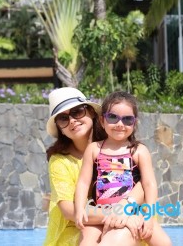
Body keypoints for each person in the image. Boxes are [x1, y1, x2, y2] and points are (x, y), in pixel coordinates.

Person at [44, 87, 149, 246]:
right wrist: (119, 214)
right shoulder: (59, 161)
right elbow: (69, 211)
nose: (72, 120)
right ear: (60, 129)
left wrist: (126, 209)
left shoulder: (115, 144)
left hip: (126, 218)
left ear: (91, 112)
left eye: (77, 111)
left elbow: (143, 183)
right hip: (77, 228)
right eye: (63, 118)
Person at [74, 91, 172, 246]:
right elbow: (83, 183)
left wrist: (149, 217)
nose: (120, 124)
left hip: (132, 211)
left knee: (164, 243)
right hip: (101, 212)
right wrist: (79, 209)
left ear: (134, 123)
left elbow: (149, 185)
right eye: (113, 117)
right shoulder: (94, 149)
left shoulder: (138, 151)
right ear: (102, 120)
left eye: (127, 119)